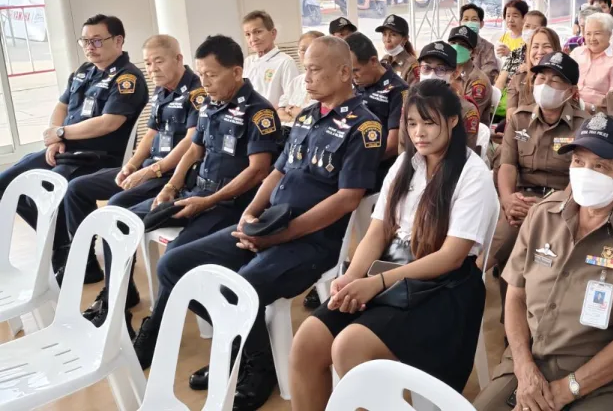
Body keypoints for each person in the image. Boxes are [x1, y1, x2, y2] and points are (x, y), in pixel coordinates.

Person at [132, 36, 382, 411]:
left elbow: (346, 199)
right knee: (174, 266)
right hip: (267, 226)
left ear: (345, 72)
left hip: (311, 242)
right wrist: (250, 215)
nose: (306, 79)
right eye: (305, 70)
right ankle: (241, 347)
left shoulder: (364, 127)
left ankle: (256, 369)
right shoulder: (307, 116)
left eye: (315, 70)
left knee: (241, 285)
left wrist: (280, 235)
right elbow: (276, 173)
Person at [290, 80, 497, 409]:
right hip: (391, 270)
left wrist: (376, 283)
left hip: (443, 287)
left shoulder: (473, 175)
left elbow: (451, 257)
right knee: (307, 342)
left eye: (429, 122)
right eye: (412, 123)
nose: (419, 133)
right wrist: (353, 276)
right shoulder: (405, 165)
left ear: (453, 121)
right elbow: (378, 231)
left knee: (350, 347)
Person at [475, 113, 613, 411]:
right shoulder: (543, 215)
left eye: (600, 166)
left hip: (605, 382)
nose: (585, 173)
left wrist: (563, 392)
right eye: (578, 161)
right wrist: (525, 369)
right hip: (531, 361)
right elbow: (516, 295)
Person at [64, 34, 200, 324]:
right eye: (148, 63)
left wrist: (150, 171)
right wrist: (131, 165)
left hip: (172, 175)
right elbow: (151, 134)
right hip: (148, 169)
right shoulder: (162, 91)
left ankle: (119, 294)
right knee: (77, 188)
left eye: (158, 61)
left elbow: (191, 142)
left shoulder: (196, 92)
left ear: (178, 59)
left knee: (116, 206)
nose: (152, 69)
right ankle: (90, 267)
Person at [0, 14, 147, 280]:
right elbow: (61, 107)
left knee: (47, 192)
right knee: (7, 183)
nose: (90, 47)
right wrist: (56, 138)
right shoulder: (83, 72)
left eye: (97, 41)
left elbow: (109, 123)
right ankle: (62, 248)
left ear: (118, 41)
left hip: (96, 157)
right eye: (85, 41)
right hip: (64, 151)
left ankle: (81, 261)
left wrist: (61, 133)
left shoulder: (127, 78)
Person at [129, 35, 281, 270]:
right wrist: (171, 186)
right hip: (196, 192)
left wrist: (208, 201)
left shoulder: (259, 112)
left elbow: (257, 171)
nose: (205, 82)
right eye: (201, 74)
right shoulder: (209, 103)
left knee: (172, 260)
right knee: (123, 221)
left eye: (211, 75)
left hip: (227, 204)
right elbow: (194, 150)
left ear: (236, 72)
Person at [491, 52, 587, 315]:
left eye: (555, 81)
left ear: (571, 90)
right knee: (501, 247)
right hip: (521, 200)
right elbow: (508, 165)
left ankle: (542, 320)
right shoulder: (519, 119)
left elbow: (579, 176)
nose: (545, 85)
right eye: (541, 78)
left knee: (546, 258)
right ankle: (510, 322)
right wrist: (508, 200)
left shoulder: (583, 125)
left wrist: (549, 209)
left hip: (562, 204)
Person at [347, 32, 407, 189]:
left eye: (356, 70)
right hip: (351, 159)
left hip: (378, 168)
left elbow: (393, 145)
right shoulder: (357, 84)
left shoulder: (398, 90)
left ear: (373, 61)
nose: (353, 77)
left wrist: (356, 164)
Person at [418, 41, 481, 149]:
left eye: (441, 69)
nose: (431, 75)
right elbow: (404, 147)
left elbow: (465, 152)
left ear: (454, 75)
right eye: (426, 68)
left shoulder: (466, 110)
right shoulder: (411, 103)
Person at [241, 10, 300, 107]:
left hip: (272, 114)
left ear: (273, 33)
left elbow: (293, 99)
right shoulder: (248, 61)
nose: (253, 39)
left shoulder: (285, 62)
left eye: (258, 32)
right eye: (248, 34)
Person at [570, 12, 613, 108]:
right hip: (569, 106)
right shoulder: (576, 53)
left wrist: (588, 107)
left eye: (597, 33)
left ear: (609, 34)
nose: (592, 38)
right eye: (588, 34)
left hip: (596, 112)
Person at [506, 27, 561, 113]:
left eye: (547, 46)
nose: (540, 52)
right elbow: (511, 115)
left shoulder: (564, 81)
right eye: (535, 47)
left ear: (556, 50)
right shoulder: (519, 78)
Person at [278, 30, 323, 125]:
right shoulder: (296, 81)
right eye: (303, 50)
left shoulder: (328, 82)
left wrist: (291, 111)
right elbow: (280, 111)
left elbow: (315, 117)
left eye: (311, 49)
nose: (307, 54)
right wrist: (293, 115)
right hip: (287, 130)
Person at [449, 25, 494, 117]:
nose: (457, 47)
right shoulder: (444, 71)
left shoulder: (478, 81)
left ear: (473, 52)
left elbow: (467, 114)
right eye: (453, 43)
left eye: (463, 45)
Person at [460, 3, 500, 82]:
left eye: (474, 19)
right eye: (466, 19)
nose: (469, 22)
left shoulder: (488, 47)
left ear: (481, 24)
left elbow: (488, 74)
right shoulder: (453, 45)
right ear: (460, 22)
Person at [378, 14, 419, 85]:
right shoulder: (384, 60)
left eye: (393, 35)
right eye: (384, 34)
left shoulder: (411, 66)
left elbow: (414, 91)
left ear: (405, 39)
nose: (387, 39)